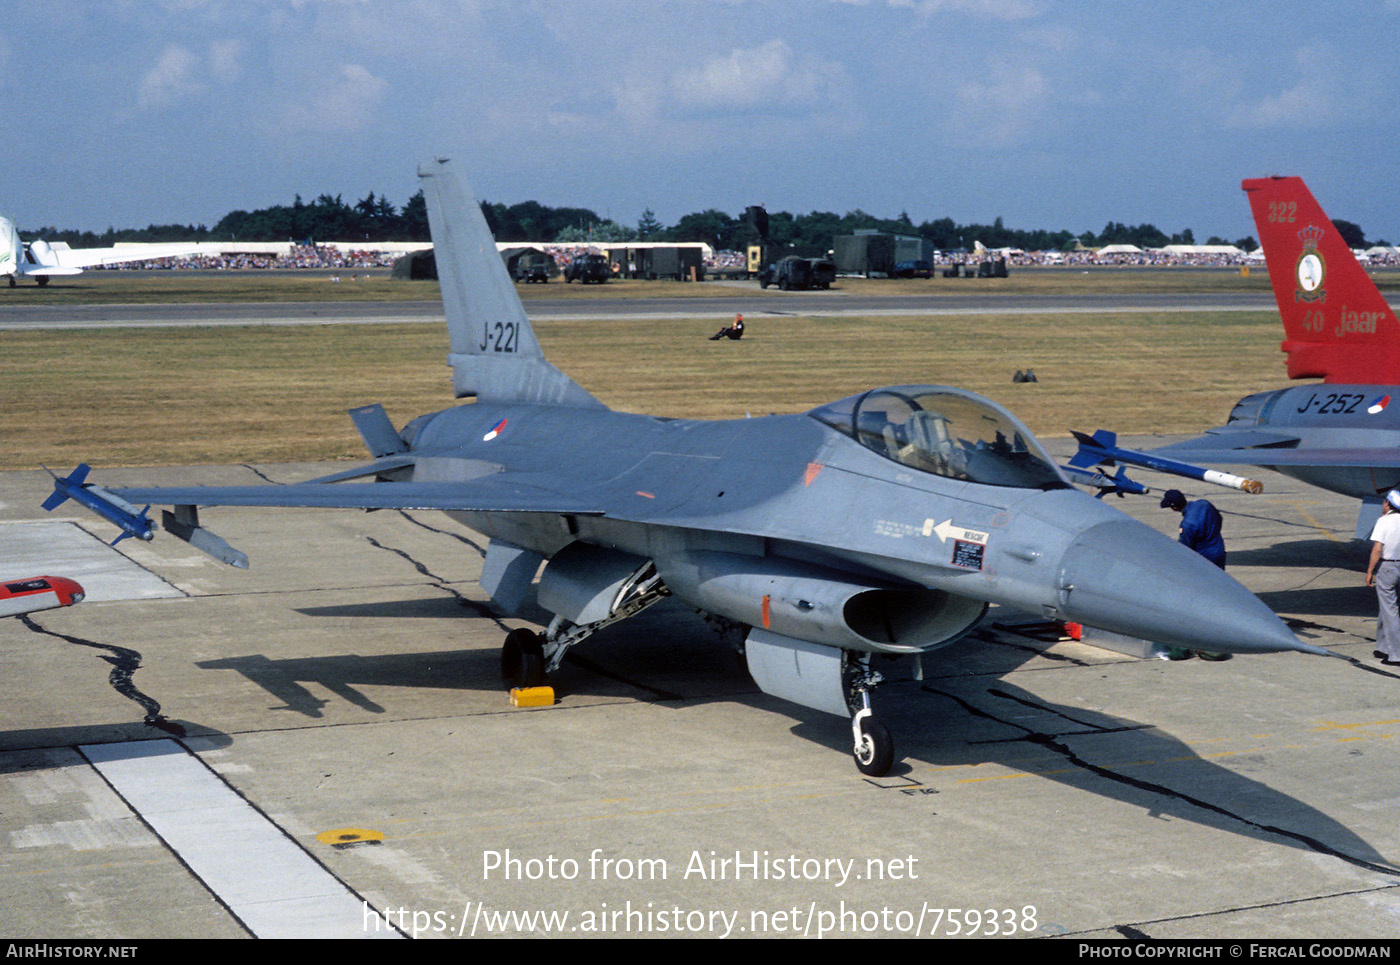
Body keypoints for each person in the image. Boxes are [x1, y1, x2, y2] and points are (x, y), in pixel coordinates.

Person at [1159, 488, 1229, 660]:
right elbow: (1219, 519)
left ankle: (1200, 635)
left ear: (1174, 507)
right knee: (1216, 593)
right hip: (1218, 552)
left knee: (1197, 597)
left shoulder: (1188, 524)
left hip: (1203, 559)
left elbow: (1185, 551)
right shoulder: (1204, 505)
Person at [1365, 489, 1400, 666]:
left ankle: (1396, 655)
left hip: (1389, 567)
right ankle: (1382, 647)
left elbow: (1377, 549)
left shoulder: (1384, 521)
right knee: (1388, 607)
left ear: (1388, 504)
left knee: (1390, 610)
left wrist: (1370, 570)